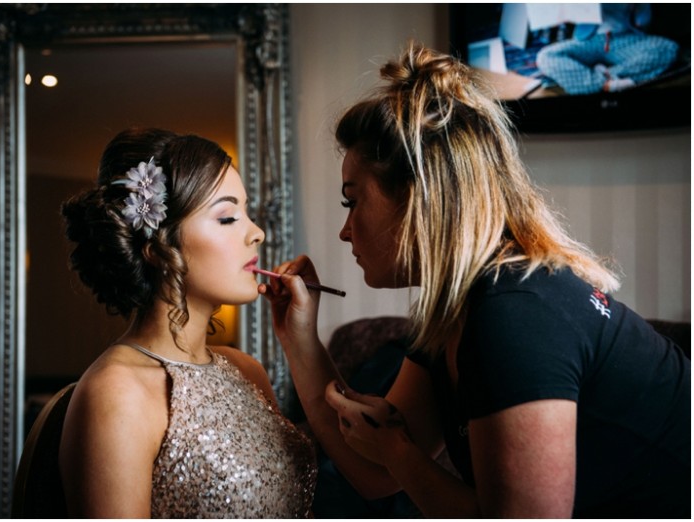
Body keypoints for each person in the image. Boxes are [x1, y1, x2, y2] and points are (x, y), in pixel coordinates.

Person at [260, 42, 690, 518]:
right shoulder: (456, 310)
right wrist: (301, 340)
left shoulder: (515, 311)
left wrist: (398, 451)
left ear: (419, 198)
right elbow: (373, 474)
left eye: (352, 201)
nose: (345, 230)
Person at [59, 128, 316, 518]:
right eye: (228, 217)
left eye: (247, 212)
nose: (257, 233)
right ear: (159, 248)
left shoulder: (247, 371)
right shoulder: (116, 393)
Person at [536, 4, 679, 94]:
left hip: (622, 39)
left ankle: (606, 76)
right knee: (546, 57)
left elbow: (643, 21)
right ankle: (604, 84)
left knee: (668, 48)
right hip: (589, 39)